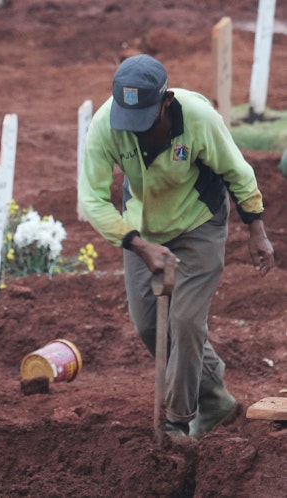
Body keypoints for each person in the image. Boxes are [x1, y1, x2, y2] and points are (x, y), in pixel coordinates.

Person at [79, 54, 275, 438]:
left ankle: (178, 421)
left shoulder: (200, 119)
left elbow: (238, 172)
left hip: (199, 223)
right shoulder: (106, 124)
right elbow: (92, 199)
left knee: (184, 321)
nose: (134, 131)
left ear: (165, 102)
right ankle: (215, 396)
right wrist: (138, 244)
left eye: (144, 121)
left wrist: (256, 228)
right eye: (128, 122)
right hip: (142, 230)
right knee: (151, 326)